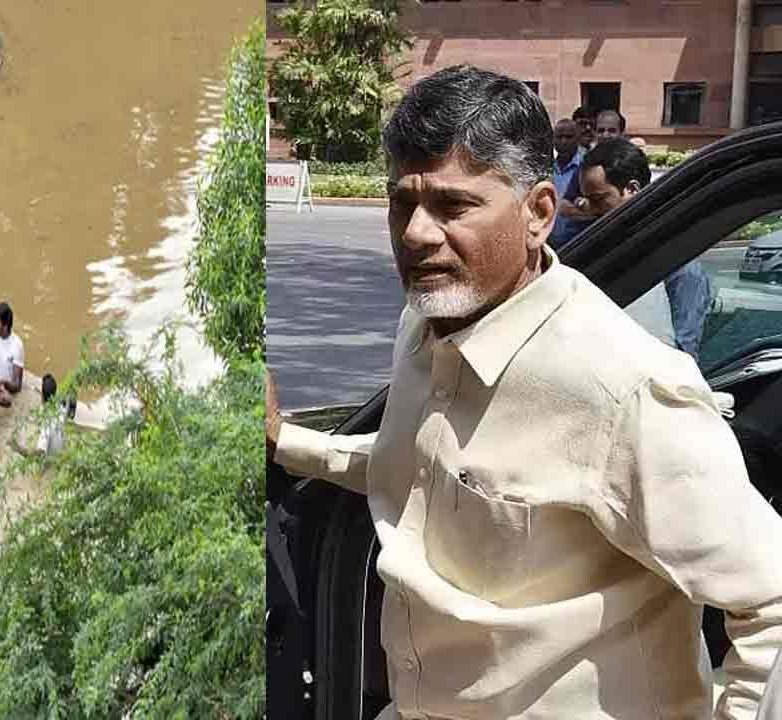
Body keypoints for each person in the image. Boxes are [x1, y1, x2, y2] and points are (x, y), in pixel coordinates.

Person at [268, 65, 782, 720]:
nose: (417, 232)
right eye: (404, 202)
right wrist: (289, 443)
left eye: (453, 206)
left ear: (539, 212)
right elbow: (421, 464)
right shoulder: (426, 324)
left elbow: (770, 601)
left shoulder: (623, 388)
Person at [580, 137, 713, 359]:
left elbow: (682, 355)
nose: (591, 210)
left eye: (599, 199)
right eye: (587, 200)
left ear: (632, 189)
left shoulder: (679, 263)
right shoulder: (599, 250)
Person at [548, 118, 590, 248]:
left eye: (569, 137)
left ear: (577, 138)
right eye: (559, 137)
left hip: (578, 244)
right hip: (549, 244)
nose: (564, 141)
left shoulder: (587, 166)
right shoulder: (546, 167)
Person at [13, 374, 68, 458]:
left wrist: (18, 448)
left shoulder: (46, 425)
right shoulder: (62, 409)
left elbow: (39, 454)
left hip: (49, 463)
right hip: (61, 458)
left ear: (42, 396)